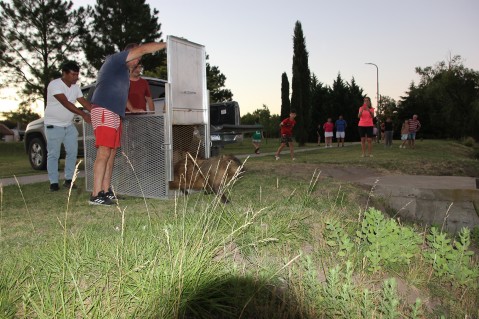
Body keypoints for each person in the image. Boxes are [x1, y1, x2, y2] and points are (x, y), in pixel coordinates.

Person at [89, 42, 167, 205]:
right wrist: (168, 44)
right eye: (136, 57)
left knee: (111, 155)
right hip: (104, 110)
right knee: (104, 152)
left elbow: (121, 95)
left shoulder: (123, 73)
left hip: (115, 113)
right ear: (129, 53)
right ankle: (96, 195)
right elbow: (144, 48)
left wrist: (132, 108)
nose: (137, 61)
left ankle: (106, 191)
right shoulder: (115, 60)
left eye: (139, 59)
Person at [44, 60, 92, 191]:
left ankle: (69, 180)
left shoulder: (76, 88)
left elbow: (83, 101)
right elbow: (65, 103)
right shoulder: (55, 85)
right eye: (73, 74)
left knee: (72, 152)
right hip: (53, 125)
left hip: (68, 125)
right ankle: (53, 183)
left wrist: (96, 112)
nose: (76, 77)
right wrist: (83, 114)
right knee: (53, 154)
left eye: (77, 75)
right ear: (64, 73)